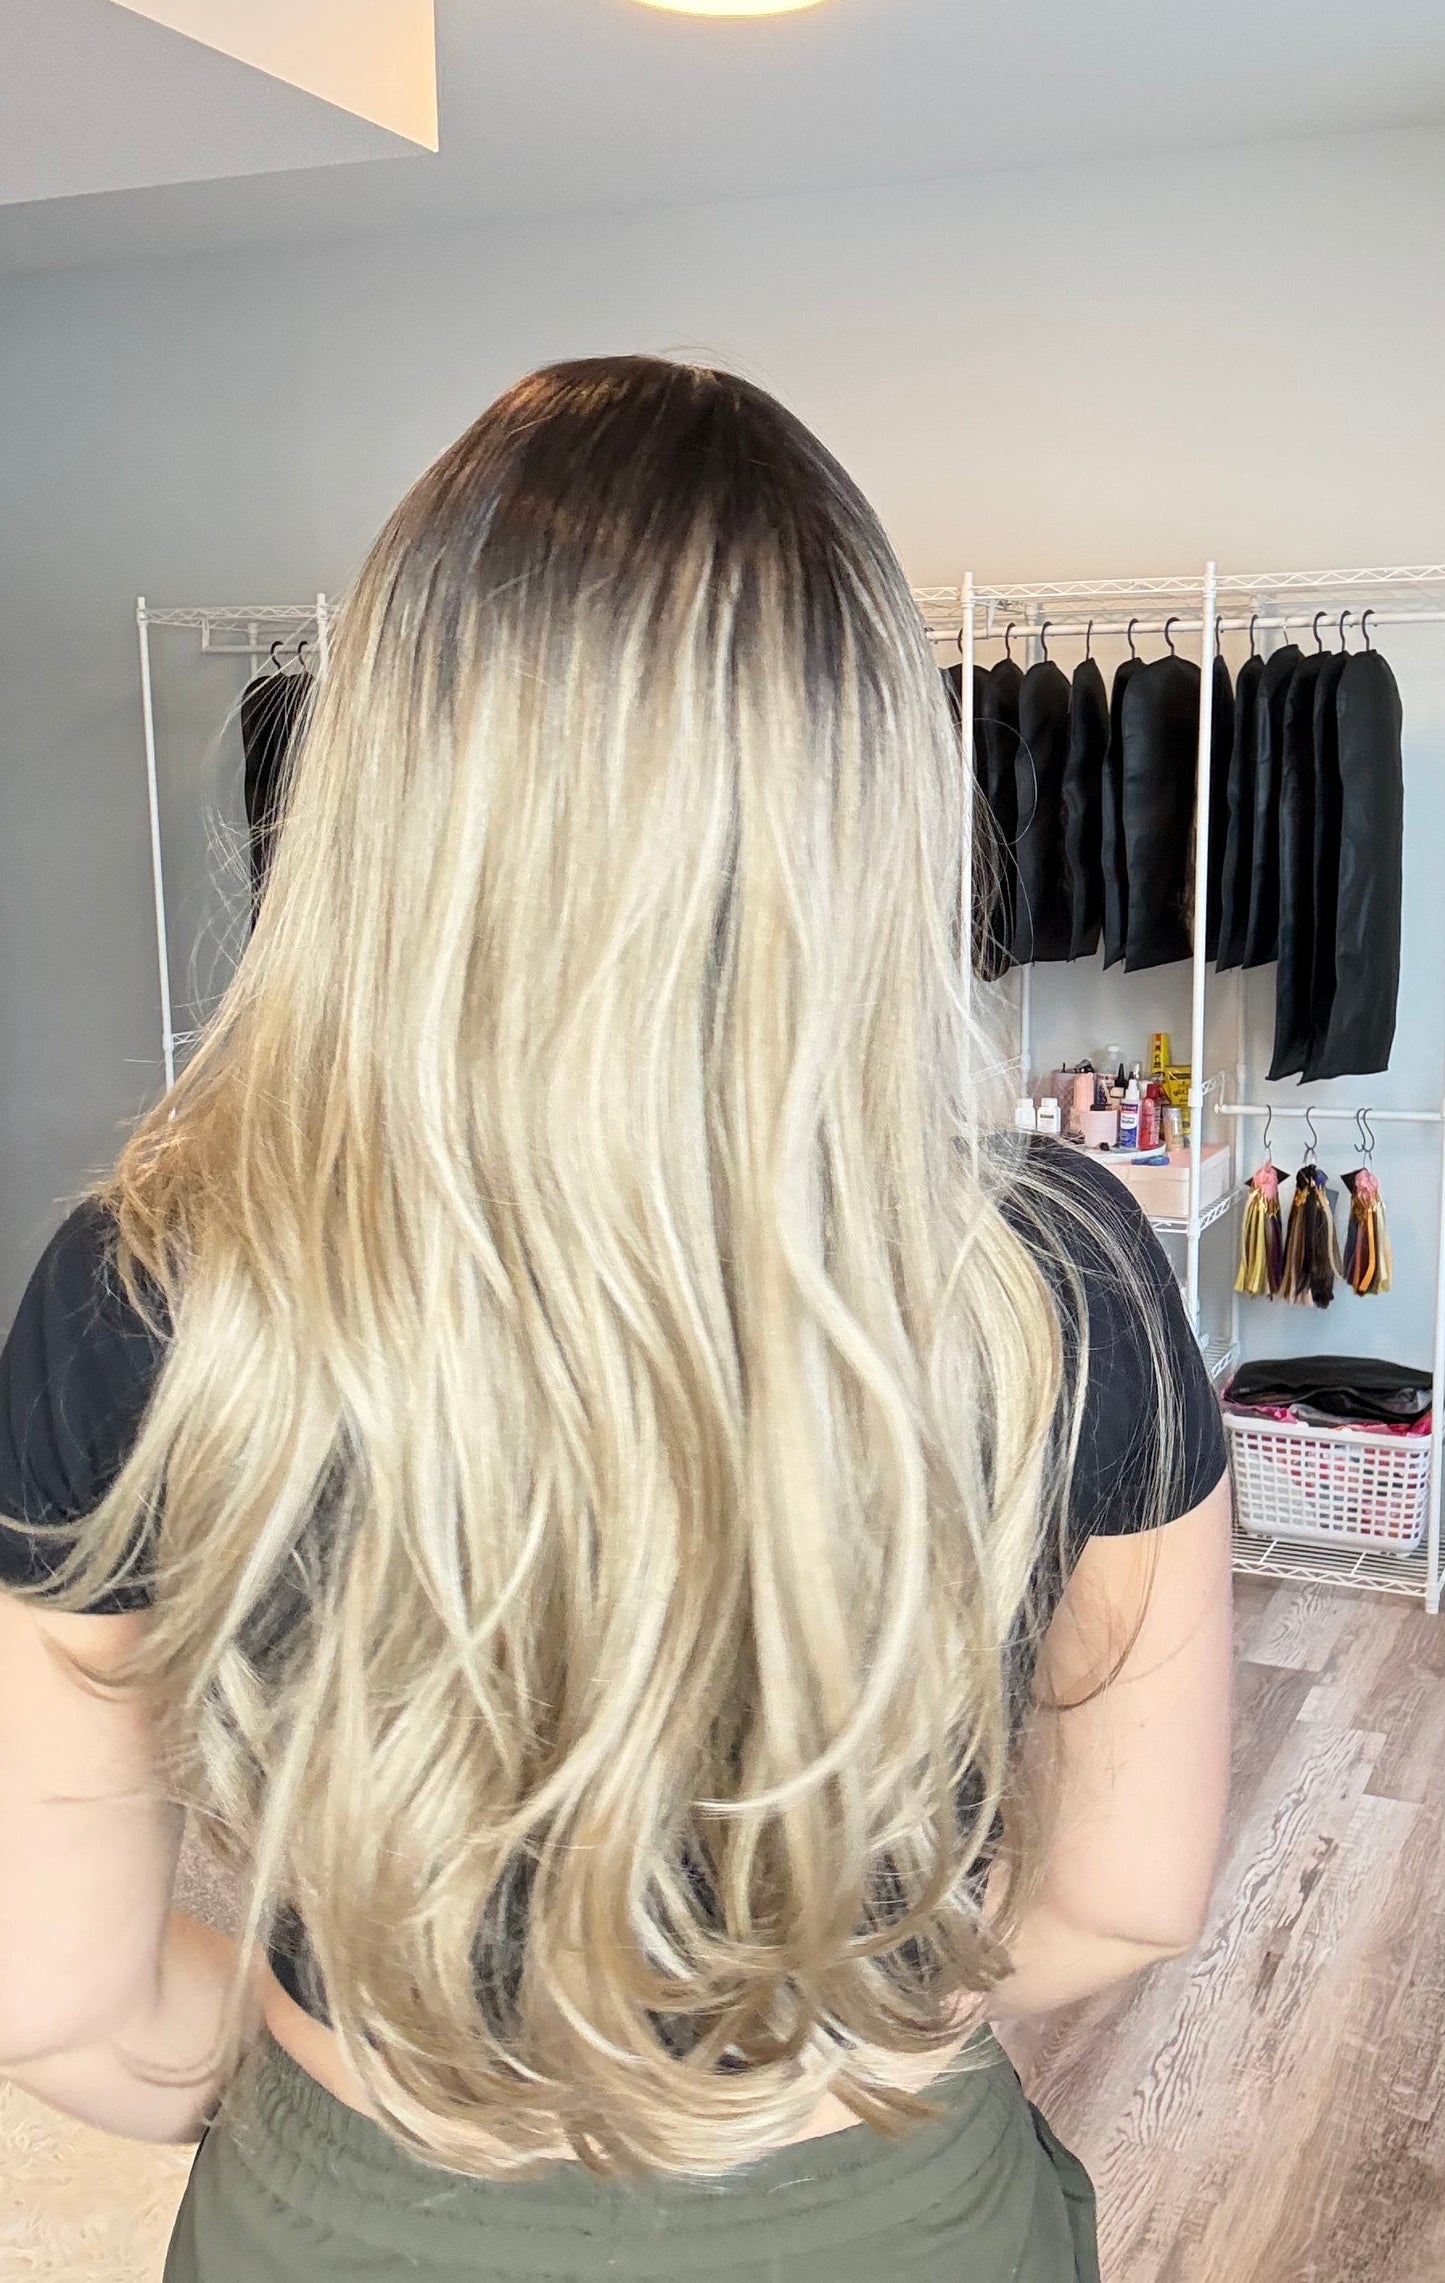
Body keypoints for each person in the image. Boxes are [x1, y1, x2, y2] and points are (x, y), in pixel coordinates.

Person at [0, 357, 1231, 2283]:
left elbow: (56, 1992)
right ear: (865, 789)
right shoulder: (1051, 1271)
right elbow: (1131, 1896)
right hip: (886, 2202)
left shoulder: (149, 1281)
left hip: (344, 2205)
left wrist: (335, 2115)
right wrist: (816, 2081)